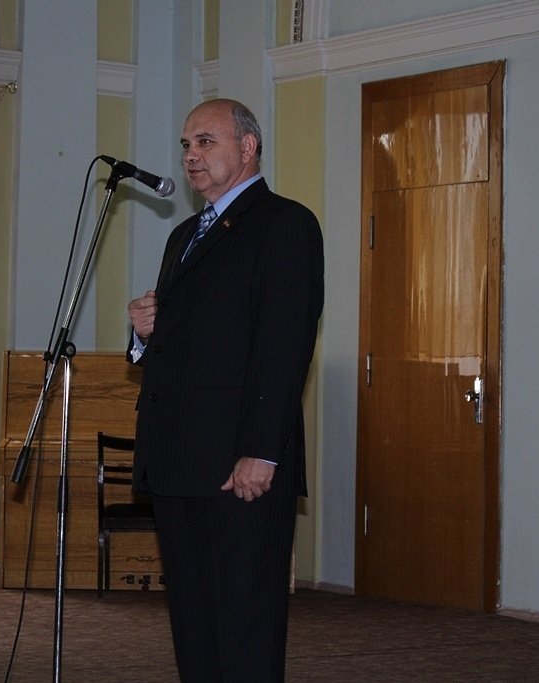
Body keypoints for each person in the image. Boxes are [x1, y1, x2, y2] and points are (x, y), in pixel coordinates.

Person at [127, 98, 324, 682]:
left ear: (248, 147)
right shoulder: (184, 235)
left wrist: (262, 451)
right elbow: (191, 342)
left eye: (206, 142)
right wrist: (142, 334)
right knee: (194, 623)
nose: (192, 155)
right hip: (179, 461)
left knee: (244, 622)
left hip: (240, 463)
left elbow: (284, 346)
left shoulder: (285, 223)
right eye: (186, 145)